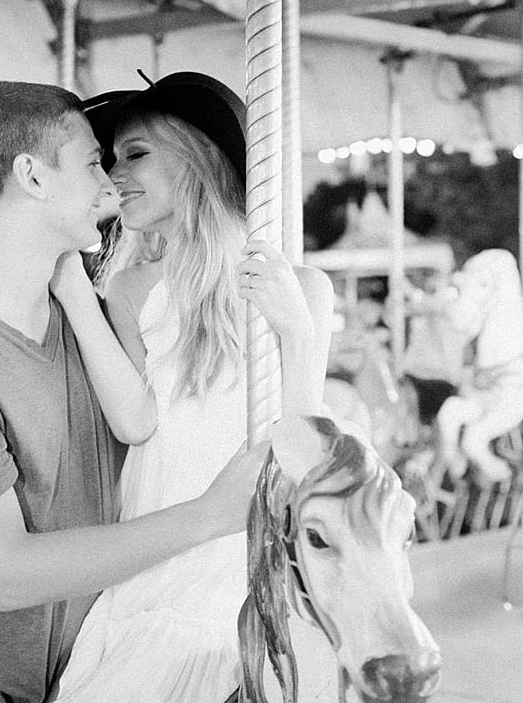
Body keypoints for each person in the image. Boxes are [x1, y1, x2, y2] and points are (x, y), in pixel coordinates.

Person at [0, 81, 272, 703]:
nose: (109, 184)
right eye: (94, 161)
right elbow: (9, 574)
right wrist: (209, 515)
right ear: (33, 177)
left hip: (80, 676)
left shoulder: (88, 322)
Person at [51, 72, 333, 702]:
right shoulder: (128, 289)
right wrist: (74, 291)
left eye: (136, 154)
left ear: (198, 158)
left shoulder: (299, 285)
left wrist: (295, 330)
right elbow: (135, 423)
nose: (115, 174)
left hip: (241, 559)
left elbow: (305, 449)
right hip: (161, 543)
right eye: (112, 158)